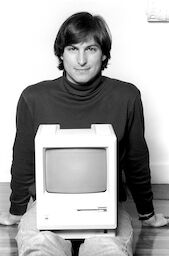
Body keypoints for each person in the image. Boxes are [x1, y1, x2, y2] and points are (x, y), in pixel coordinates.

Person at [0, 12, 168, 256]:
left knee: (109, 249)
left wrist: (147, 213)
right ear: (61, 53)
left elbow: (136, 160)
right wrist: (17, 211)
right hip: (48, 207)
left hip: (105, 208)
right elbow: (24, 158)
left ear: (104, 54)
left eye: (90, 49)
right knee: (39, 248)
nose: (81, 60)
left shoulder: (127, 96)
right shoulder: (34, 98)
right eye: (72, 48)